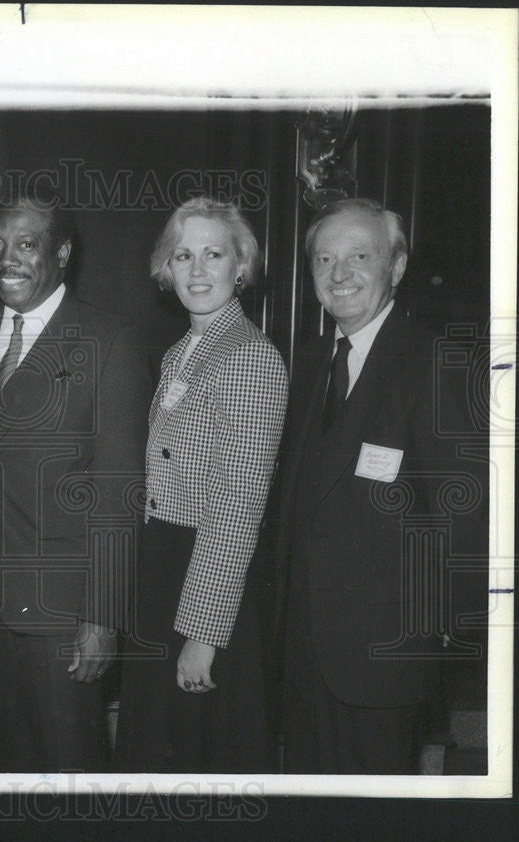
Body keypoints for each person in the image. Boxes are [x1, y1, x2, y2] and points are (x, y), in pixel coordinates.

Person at [0, 189, 151, 773]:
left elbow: (117, 491)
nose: (7, 260)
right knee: (7, 757)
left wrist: (101, 616)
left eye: (26, 245)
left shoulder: (109, 339)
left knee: (69, 763)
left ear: (62, 254)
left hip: (64, 603)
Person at [277, 197, 471, 774]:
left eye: (360, 255)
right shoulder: (308, 363)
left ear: (399, 265)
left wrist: (442, 646)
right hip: (305, 650)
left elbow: (464, 520)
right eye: (324, 259)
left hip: (386, 656)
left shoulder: (438, 363)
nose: (340, 275)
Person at [113, 198, 288, 774]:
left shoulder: (248, 358)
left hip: (204, 578)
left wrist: (203, 633)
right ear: (166, 268)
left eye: (213, 254)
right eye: (183, 255)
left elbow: (237, 508)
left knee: (195, 755)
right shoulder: (181, 354)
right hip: (163, 567)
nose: (196, 270)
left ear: (241, 266)